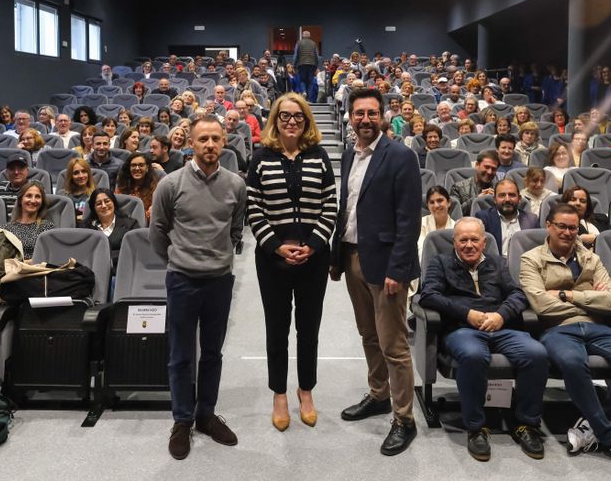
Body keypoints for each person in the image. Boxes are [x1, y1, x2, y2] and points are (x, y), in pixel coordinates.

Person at [519, 203, 611, 468]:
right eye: (562, 226)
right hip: (557, 328)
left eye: (573, 227)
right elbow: (540, 304)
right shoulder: (531, 259)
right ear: (549, 226)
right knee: (573, 363)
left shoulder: (591, 258)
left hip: (597, 326)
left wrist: (567, 294)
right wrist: (591, 299)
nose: (568, 232)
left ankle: (594, 426)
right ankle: (610, 435)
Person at [330, 89, 421, 456]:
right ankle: (379, 395)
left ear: (383, 116)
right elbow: (346, 207)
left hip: (386, 266)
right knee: (368, 335)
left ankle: (404, 419)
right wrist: (337, 256)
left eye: (371, 114)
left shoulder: (400, 156)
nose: (364, 120)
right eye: (358, 114)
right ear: (350, 117)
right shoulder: (350, 152)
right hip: (353, 255)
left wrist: (398, 269)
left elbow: (408, 219)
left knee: (394, 345)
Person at [149, 115, 247, 460]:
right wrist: (180, 260)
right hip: (182, 280)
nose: (209, 145)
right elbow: (157, 233)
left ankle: (205, 414)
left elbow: (236, 230)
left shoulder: (236, 185)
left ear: (224, 142)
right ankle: (182, 419)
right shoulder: (170, 184)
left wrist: (218, 256)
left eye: (216, 139)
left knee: (213, 353)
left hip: (219, 281)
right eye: (203, 139)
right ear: (191, 142)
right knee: (180, 356)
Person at [418, 218, 547, 462]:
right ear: (454, 242)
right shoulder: (441, 262)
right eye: (463, 240)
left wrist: (501, 315)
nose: (468, 245)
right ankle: (476, 427)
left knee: (537, 354)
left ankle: (526, 424)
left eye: (474, 239)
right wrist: (467, 314)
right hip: (463, 328)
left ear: (484, 242)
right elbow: (429, 295)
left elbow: (519, 294)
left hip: (501, 327)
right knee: (474, 356)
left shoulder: (498, 263)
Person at [245, 93, 336, 432]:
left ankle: (306, 390)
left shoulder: (320, 156)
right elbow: (253, 207)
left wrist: (313, 245)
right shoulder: (261, 157)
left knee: (308, 328)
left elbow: (330, 203)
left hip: (314, 258)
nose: (292, 122)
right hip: (273, 259)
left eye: (298, 116)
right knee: (277, 328)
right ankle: (280, 394)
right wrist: (276, 246)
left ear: (307, 120)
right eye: (285, 116)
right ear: (275, 120)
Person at [475, 179, 539, 257]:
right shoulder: (483, 218)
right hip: (495, 266)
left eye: (512, 195)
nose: (507, 199)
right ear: (495, 199)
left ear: (519, 199)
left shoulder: (532, 220)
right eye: (502, 195)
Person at [85, 188, 138, 270]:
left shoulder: (131, 225)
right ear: (93, 208)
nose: (104, 206)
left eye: (107, 201)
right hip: (92, 272)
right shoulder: (85, 228)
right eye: (98, 204)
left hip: (121, 271)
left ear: (114, 203)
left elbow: (134, 252)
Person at [4, 182, 55, 260]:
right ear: (20, 200)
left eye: (37, 197)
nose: (33, 200)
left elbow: (52, 257)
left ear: (42, 202)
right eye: (29, 196)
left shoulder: (48, 228)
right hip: (12, 270)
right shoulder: (6, 229)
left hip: (38, 270)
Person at [114, 152, 160, 223]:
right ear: (129, 168)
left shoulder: (156, 187)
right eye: (133, 165)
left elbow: (154, 213)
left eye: (141, 165)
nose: (137, 168)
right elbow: (116, 208)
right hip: (123, 224)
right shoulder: (122, 185)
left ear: (147, 168)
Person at [451, 150, 499, 216]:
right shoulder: (458, 187)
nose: (489, 172)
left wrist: (497, 200)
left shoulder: (499, 189)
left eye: (493, 169)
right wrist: (476, 200)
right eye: (487, 167)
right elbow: (454, 214)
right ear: (477, 165)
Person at [59, 158, 96, 227]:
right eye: (76, 173)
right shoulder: (62, 195)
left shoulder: (96, 195)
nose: (81, 176)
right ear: (71, 176)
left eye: (84, 171)